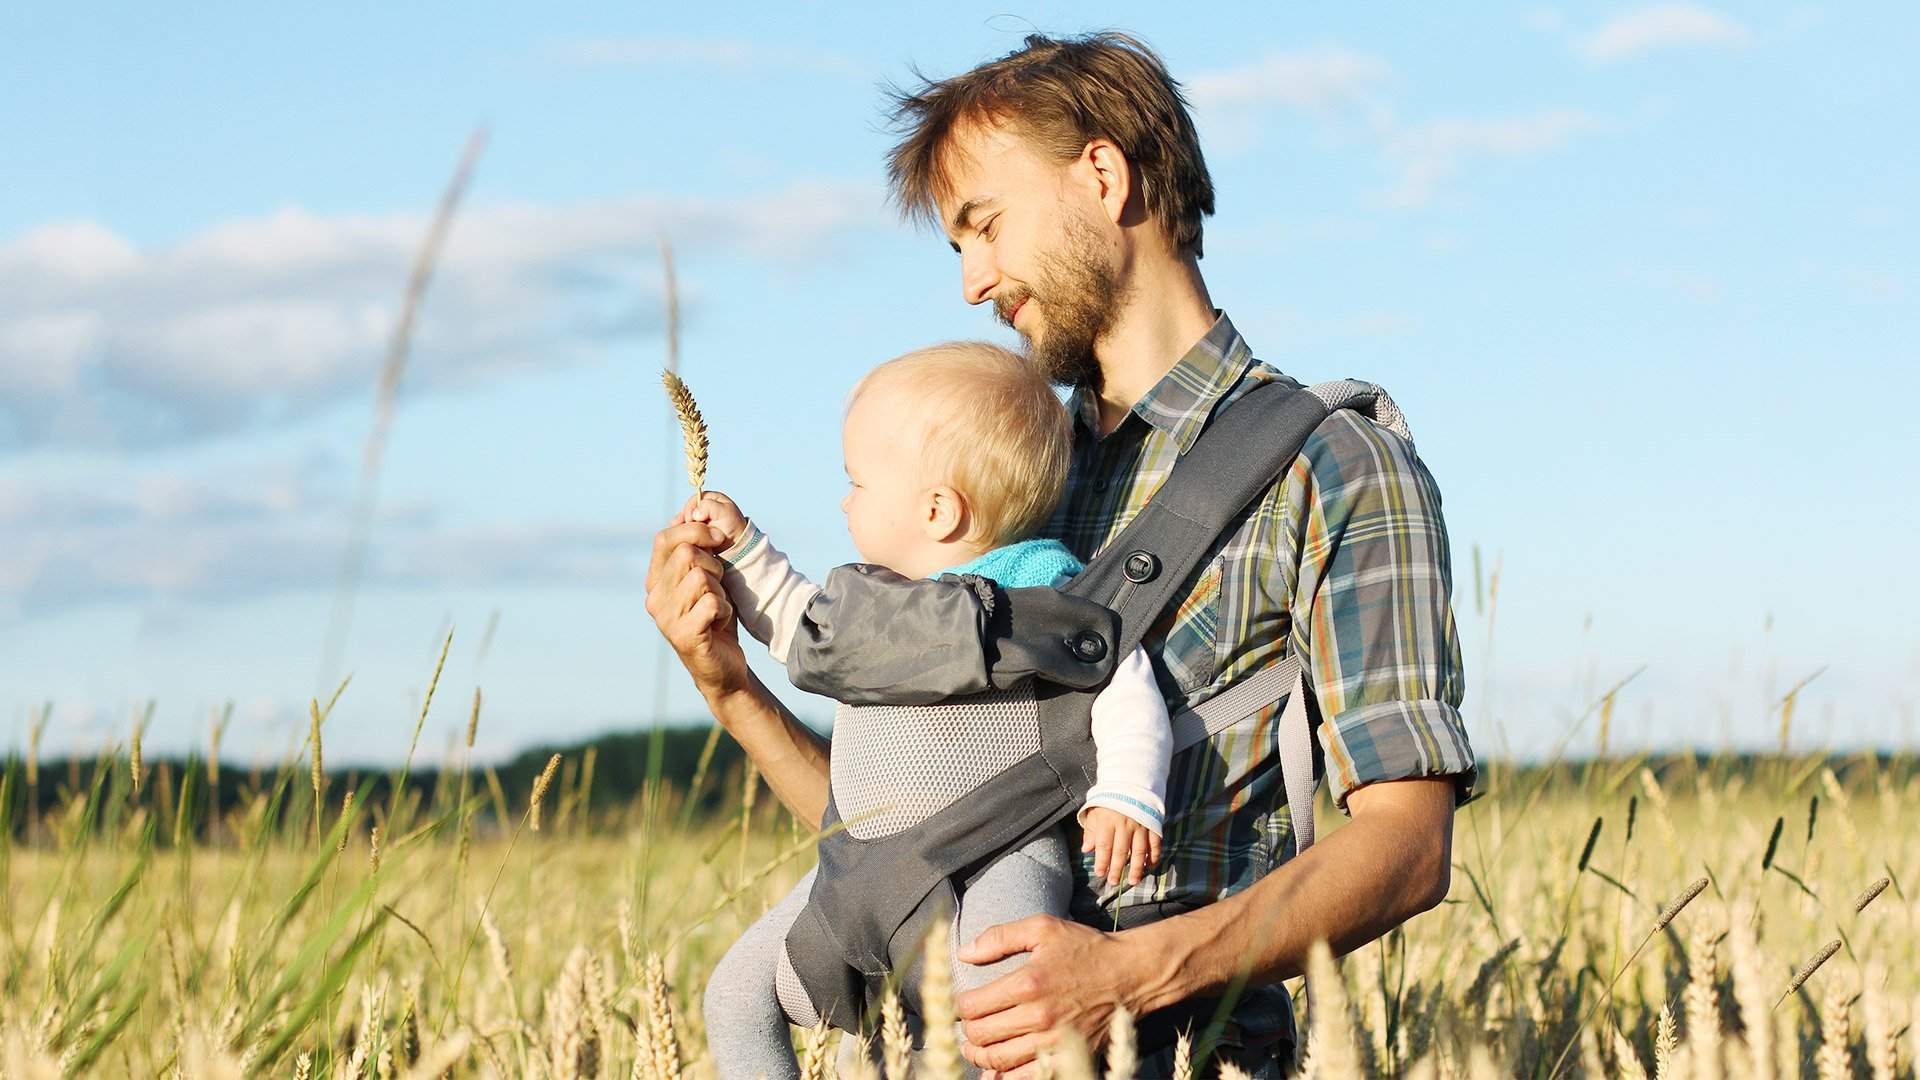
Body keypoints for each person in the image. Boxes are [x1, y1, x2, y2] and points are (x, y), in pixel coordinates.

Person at [647, 31, 1475, 1077]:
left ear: (1102, 176)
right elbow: (912, 837)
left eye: (984, 227)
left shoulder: (1336, 469)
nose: (973, 283)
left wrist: (1133, 976)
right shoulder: (996, 478)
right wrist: (733, 693)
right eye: (958, 249)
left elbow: (1406, 847)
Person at [687, 343, 1175, 1080]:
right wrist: (743, 547)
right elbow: (793, 620)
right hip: (859, 872)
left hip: (997, 860)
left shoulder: (1041, 598)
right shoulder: (873, 613)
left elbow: (1124, 680)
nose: (844, 501)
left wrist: (1127, 793)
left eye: (856, 482)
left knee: (1001, 1001)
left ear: (938, 510)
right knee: (734, 995)